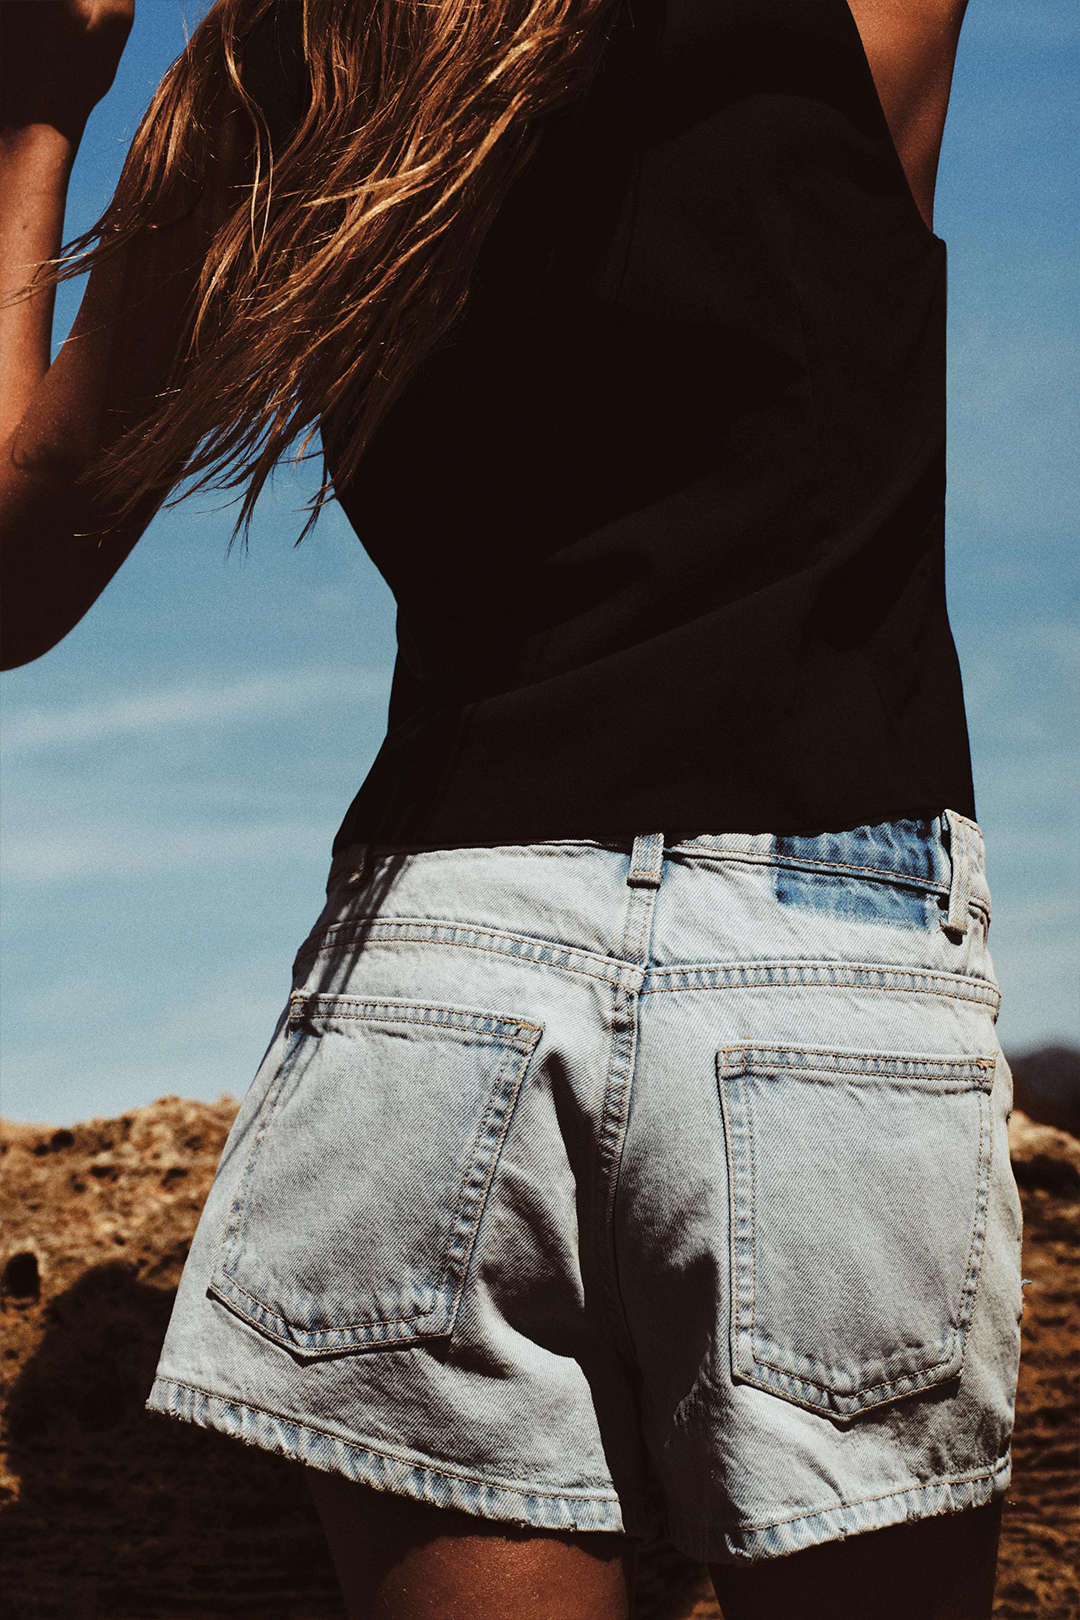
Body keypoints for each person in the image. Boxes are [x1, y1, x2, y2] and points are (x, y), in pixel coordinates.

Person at [0, 1, 1023, 1616]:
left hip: (437, 989)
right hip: (821, 973)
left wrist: (40, 108)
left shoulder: (286, 75)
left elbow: (14, 564)